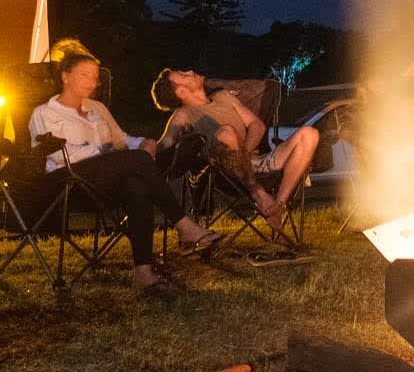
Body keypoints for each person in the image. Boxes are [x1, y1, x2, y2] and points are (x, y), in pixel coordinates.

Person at [28, 51, 221, 293]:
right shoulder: (44, 113)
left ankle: (143, 272)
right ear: (66, 77)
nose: (92, 82)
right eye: (84, 75)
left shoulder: (96, 109)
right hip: (66, 182)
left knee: (135, 185)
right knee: (135, 163)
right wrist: (107, 154)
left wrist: (143, 142)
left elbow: (120, 139)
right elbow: (57, 154)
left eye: (95, 77)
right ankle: (184, 225)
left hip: (103, 181)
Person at [150, 68, 316, 227]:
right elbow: (166, 143)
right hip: (226, 173)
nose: (190, 72)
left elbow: (256, 125)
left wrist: (244, 151)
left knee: (309, 134)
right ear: (181, 92)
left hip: (254, 161)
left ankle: (277, 206)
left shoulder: (224, 97)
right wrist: (145, 148)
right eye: (183, 75)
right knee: (226, 133)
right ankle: (258, 194)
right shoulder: (183, 114)